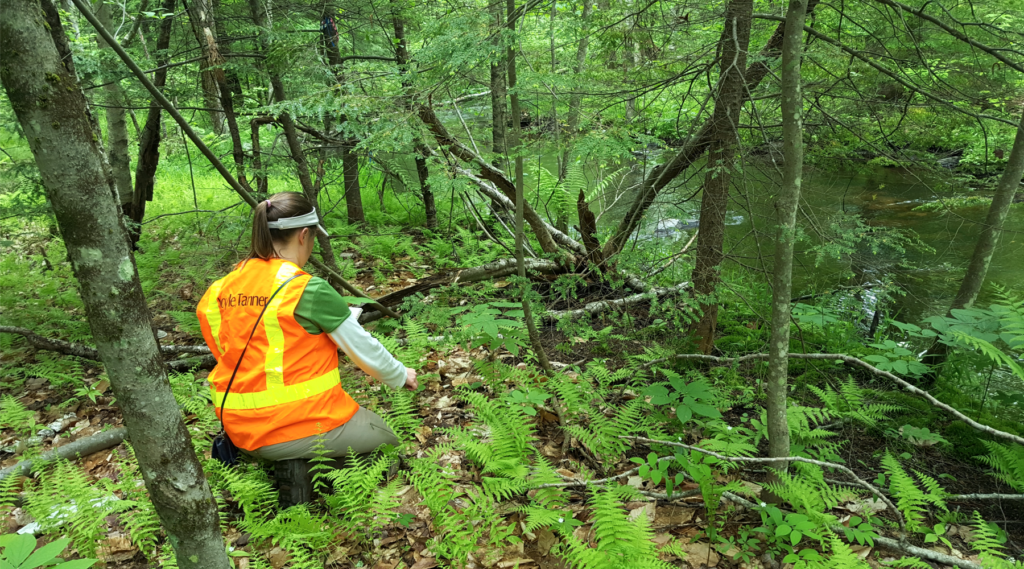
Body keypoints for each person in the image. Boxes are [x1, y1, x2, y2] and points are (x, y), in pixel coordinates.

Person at [196, 192, 416, 470]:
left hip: (237, 427)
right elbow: (362, 348)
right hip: (293, 425)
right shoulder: (306, 289)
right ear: (303, 235)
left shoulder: (222, 286)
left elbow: (235, 348)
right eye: (312, 237)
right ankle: (303, 473)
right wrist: (399, 374)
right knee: (386, 440)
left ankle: (279, 462)